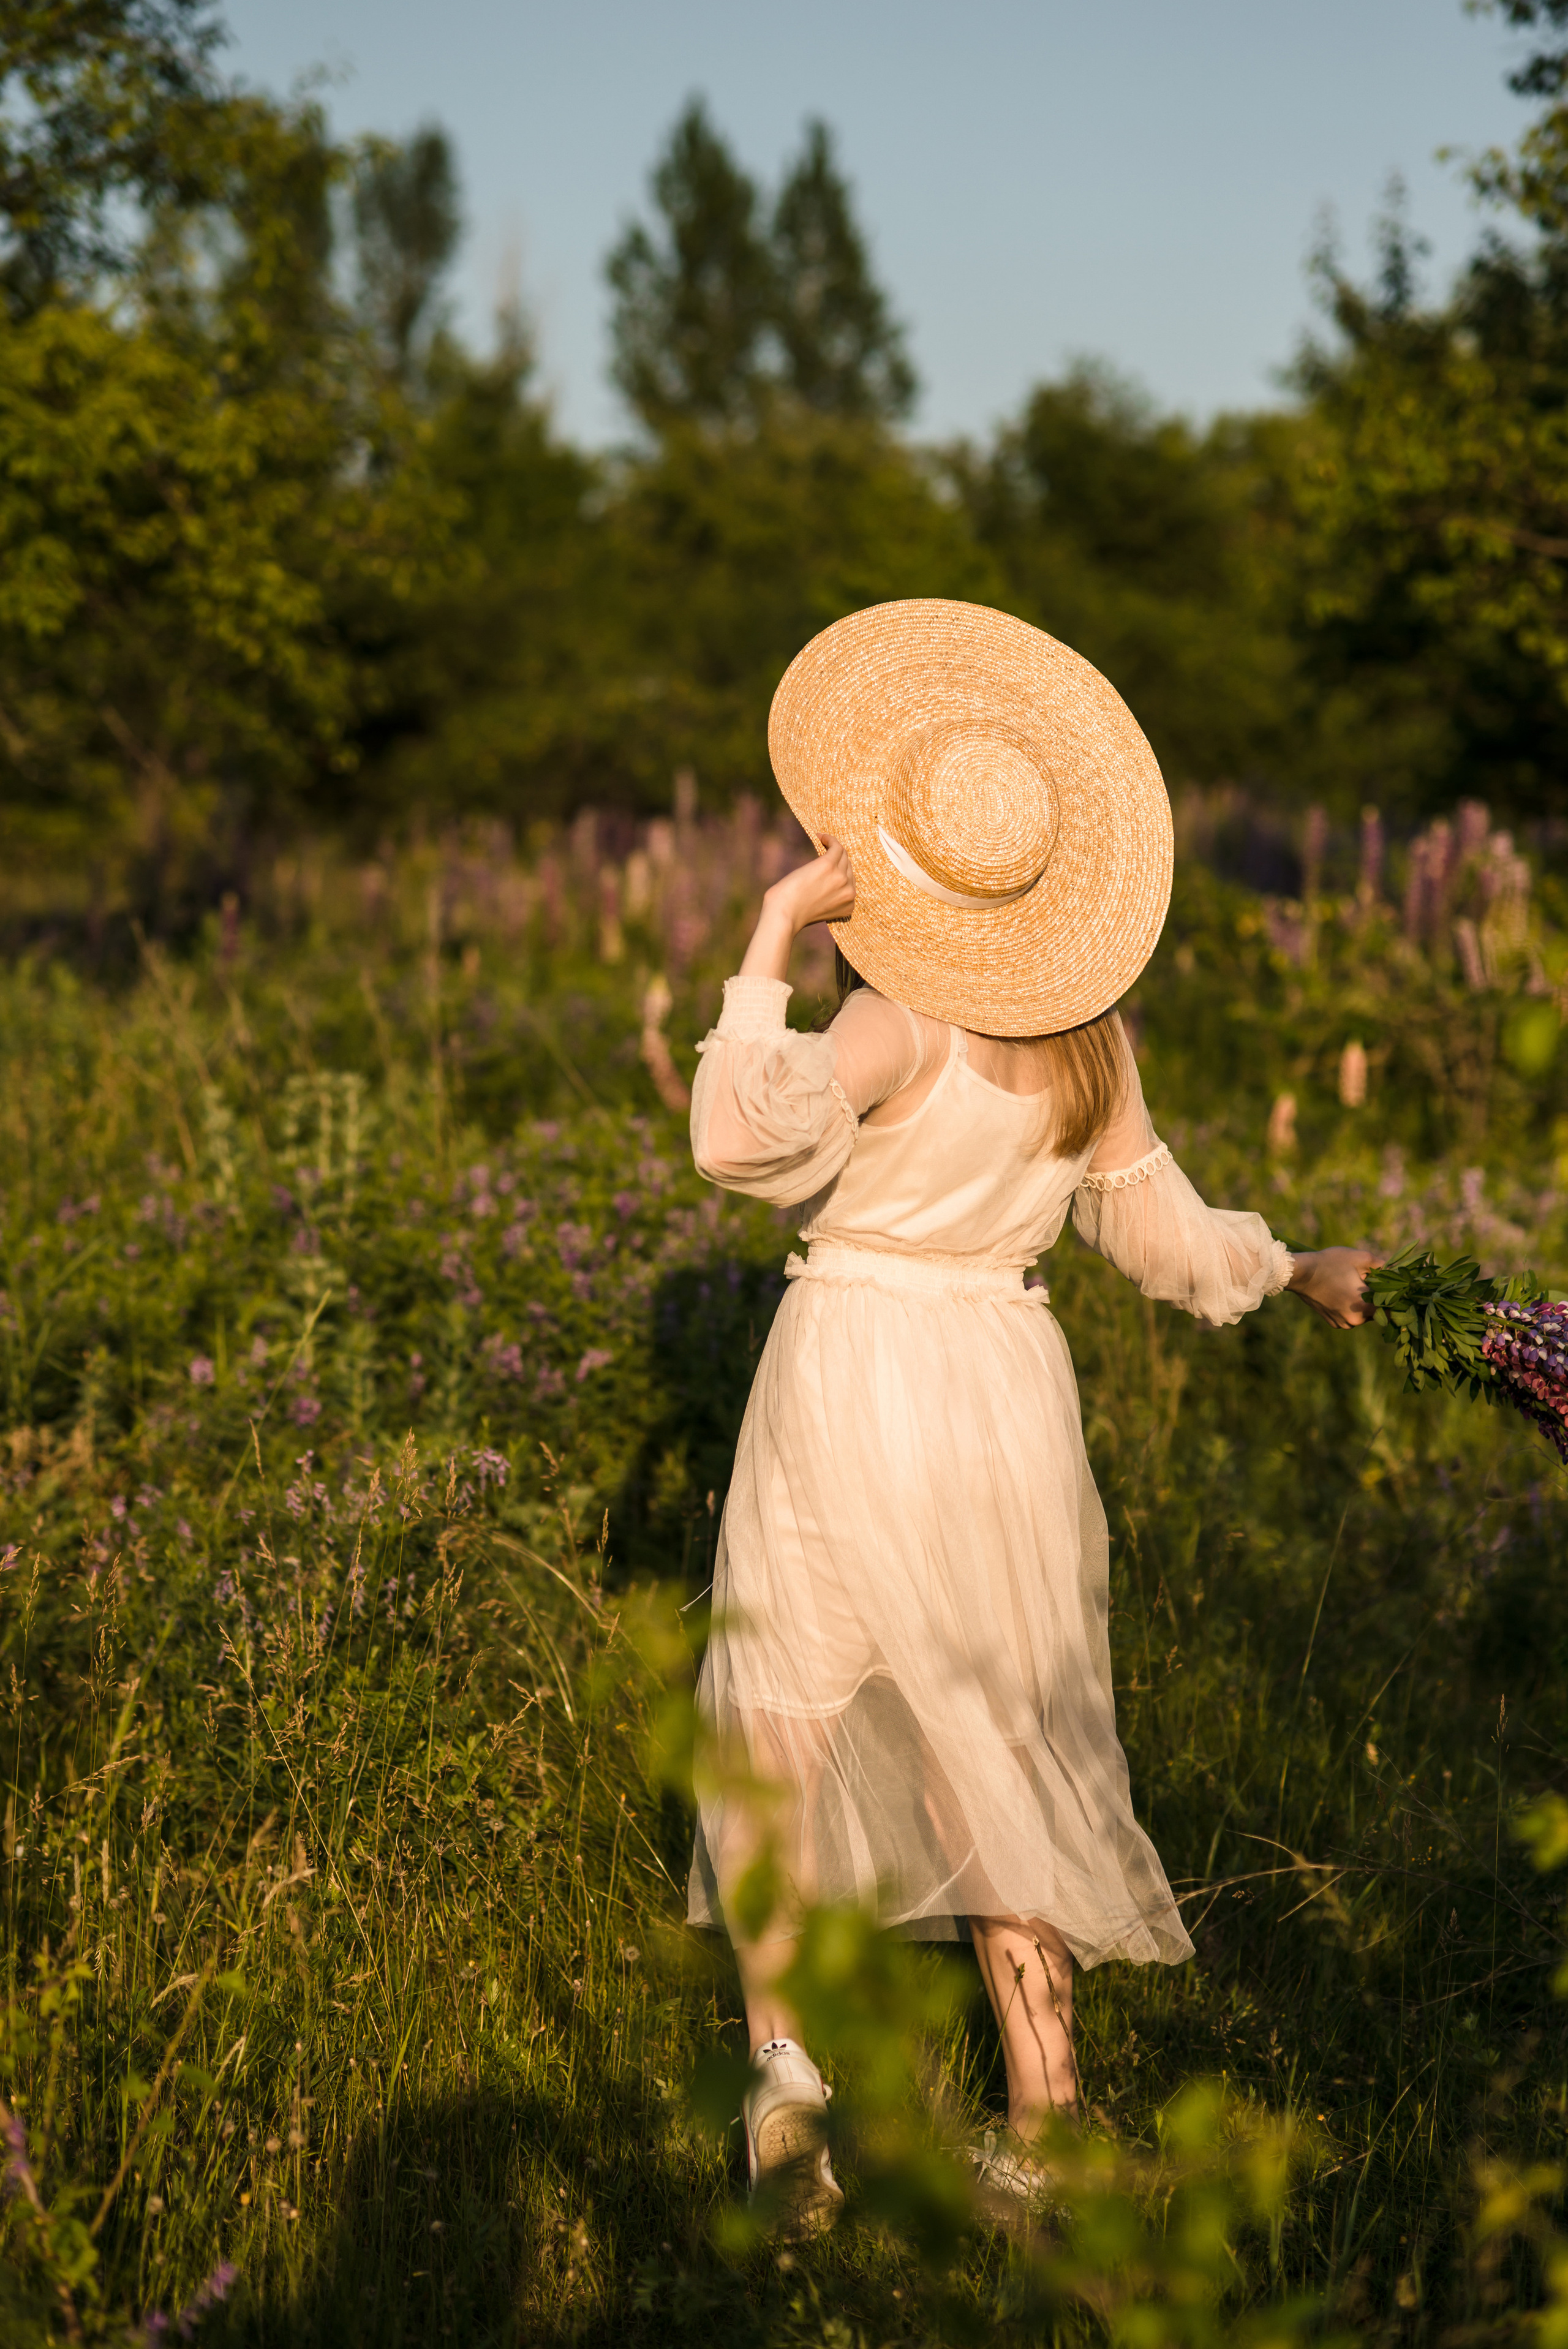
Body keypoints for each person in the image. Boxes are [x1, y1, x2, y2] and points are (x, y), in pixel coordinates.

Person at [685, 600, 1375, 2225]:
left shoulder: (891, 1016)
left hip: (852, 1368)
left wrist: (772, 927)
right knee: (996, 1728)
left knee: (783, 1716)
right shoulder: (1090, 1042)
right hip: (1003, 1388)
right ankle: (1053, 2120)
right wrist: (1294, 1269)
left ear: (901, 859)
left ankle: (788, 2077)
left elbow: (739, 1134)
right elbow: (1168, 1235)